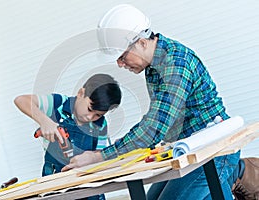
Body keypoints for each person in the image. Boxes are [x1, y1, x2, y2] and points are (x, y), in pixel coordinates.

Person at [62, 4, 259, 200]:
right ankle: (233, 174)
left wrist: (98, 157)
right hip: (186, 148)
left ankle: (234, 171)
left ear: (141, 42)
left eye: (122, 56)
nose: (120, 64)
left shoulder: (175, 64)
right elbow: (160, 120)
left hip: (213, 150)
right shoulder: (153, 68)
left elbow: (153, 128)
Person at [14, 73, 122, 200]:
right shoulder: (57, 104)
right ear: (81, 93)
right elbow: (21, 100)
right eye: (89, 109)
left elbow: (99, 153)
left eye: (97, 115)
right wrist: (45, 121)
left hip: (87, 185)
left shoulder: (100, 125)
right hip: (54, 184)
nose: (90, 117)